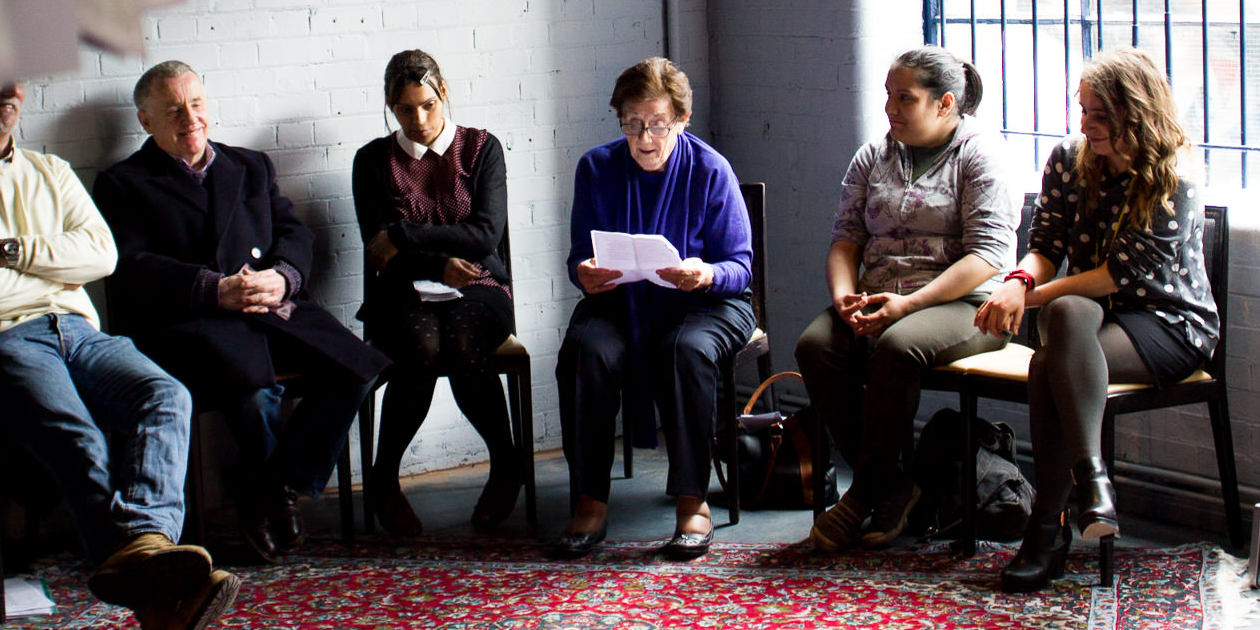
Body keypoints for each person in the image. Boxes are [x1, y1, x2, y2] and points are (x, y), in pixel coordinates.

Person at [0, 81, 238, 630]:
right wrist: (56, 268)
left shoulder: (51, 171)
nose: (7, 91)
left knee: (165, 395)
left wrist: (6, 251)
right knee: (76, 435)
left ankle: (147, 548)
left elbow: (101, 257)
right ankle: (160, 593)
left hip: (78, 332)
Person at [93, 61, 389, 564]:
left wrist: (283, 278)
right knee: (251, 392)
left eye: (197, 103)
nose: (190, 118)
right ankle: (273, 498)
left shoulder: (249, 165)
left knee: (359, 366)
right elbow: (131, 269)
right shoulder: (124, 182)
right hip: (192, 321)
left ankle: (269, 488)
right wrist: (212, 289)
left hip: (270, 307)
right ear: (146, 121)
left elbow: (295, 234)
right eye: (173, 109)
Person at [973, 48, 1218, 593]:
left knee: (1049, 361)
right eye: (1081, 111)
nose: (1086, 125)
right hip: (1085, 321)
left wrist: (1025, 300)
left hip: (1167, 322)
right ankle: (1093, 481)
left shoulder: (1175, 178)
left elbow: (1113, 277)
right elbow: (1044, 248)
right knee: (1064, 318)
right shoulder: (1067, 159)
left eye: (1100, 114)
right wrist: (1018, 282)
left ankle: (1046, 531)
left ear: (1138, 111)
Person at [794, 47, 1017, 551]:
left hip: (967, 304)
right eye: (888, 97)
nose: (890, 109)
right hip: (879, 299)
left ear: (945, 104)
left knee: (898, 347)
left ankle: (863, 494)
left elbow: (988, 256)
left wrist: (909, 307)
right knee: (816, 345)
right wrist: (845, 297)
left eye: (904, 98)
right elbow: (845, 238)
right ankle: (896, 487)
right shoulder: (876, 152)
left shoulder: (981, 154)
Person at [551, 57, 755, 561]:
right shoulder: (595, 168)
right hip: (623, 301)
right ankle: (590, 501)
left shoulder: (711, 170)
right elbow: (580, 255)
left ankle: (693, 503)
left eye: (658, 124)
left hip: (705, 304)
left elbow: (740, 268)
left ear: (682, 121)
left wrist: (704, 273)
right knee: (585, 349)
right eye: (633, 123)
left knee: (686, 350)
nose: (644, 137)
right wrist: (586, 272)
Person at [351, 50, 521, 535]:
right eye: (405, 109)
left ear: (443, 93)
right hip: (403, 290)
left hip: (480, 285)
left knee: (465, 343)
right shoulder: (372, 161)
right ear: (391, 108)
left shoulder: (482, 149)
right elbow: (378, 252)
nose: (419, 119)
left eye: (427, 104)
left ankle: (506, 466)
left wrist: (404, 233)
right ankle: (384, 480)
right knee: (420, 348)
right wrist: (439, 263)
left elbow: (486, 235)